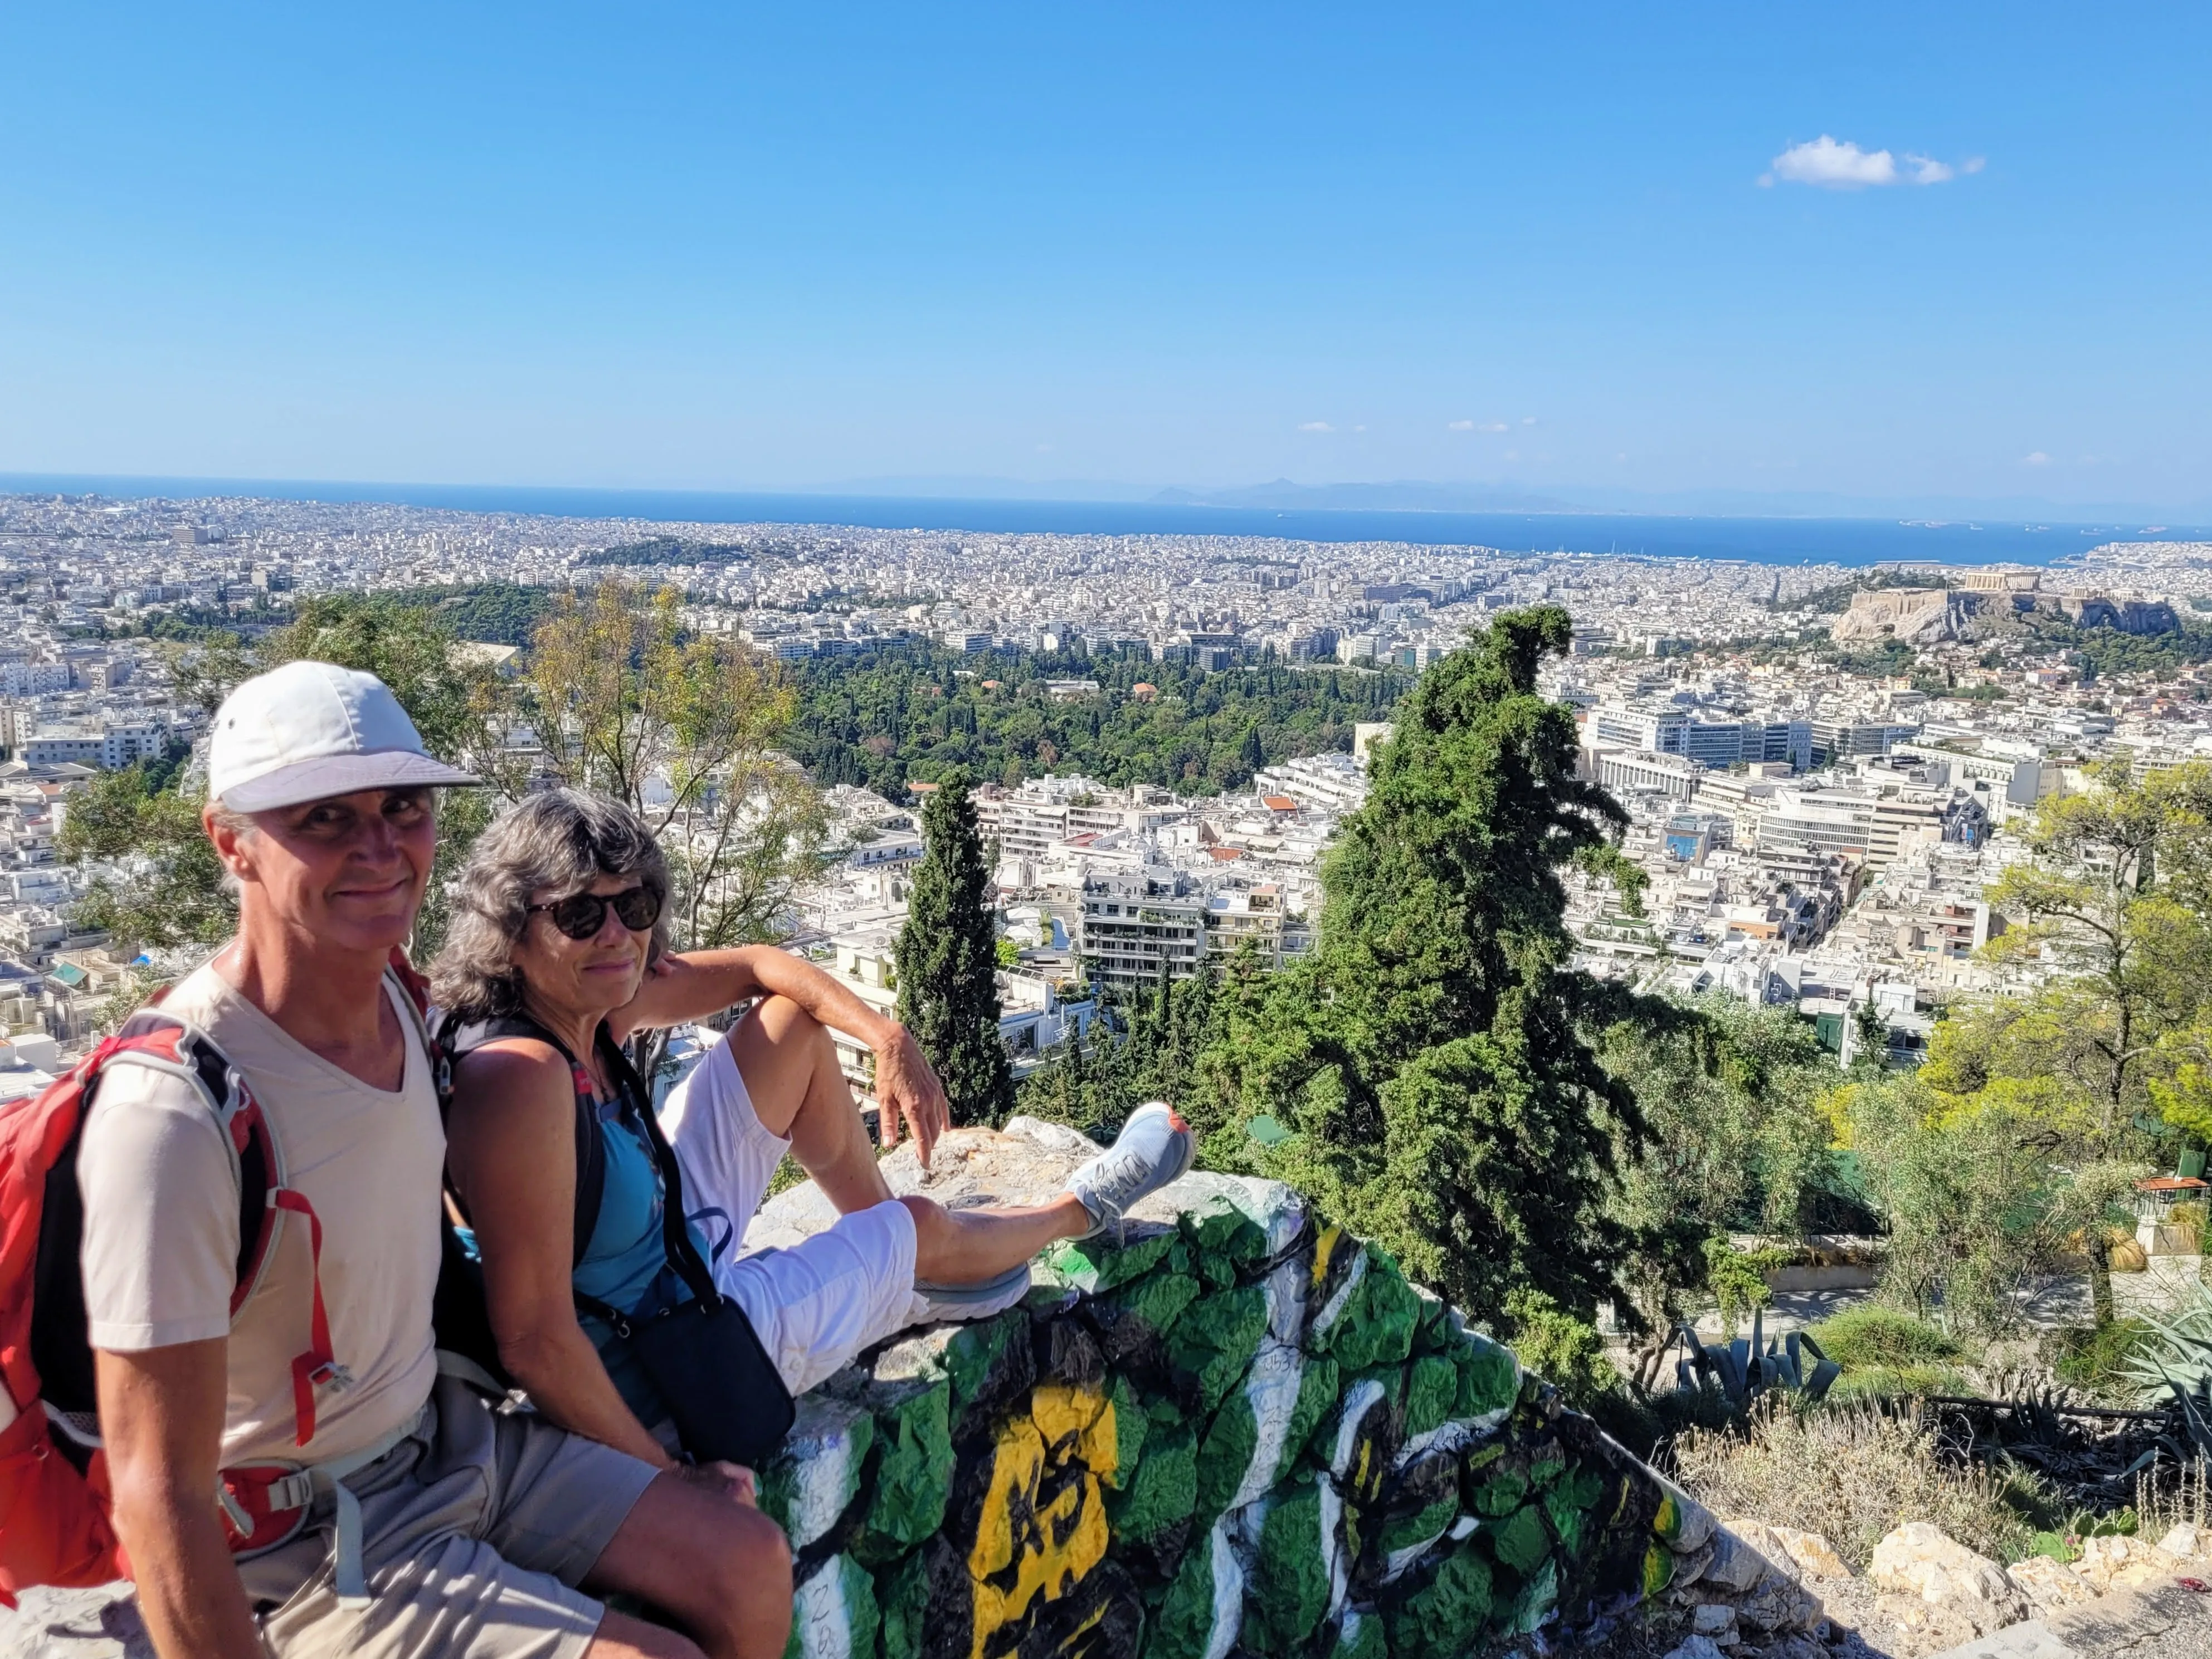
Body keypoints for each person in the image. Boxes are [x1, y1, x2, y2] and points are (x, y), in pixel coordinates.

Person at [80, 661, 791, 1659]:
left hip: (449, 1437)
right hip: (303, 1531)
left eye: (403, 806)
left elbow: (632, 992)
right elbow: (155, 1486)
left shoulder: (408, 1011)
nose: (378, 846)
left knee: (747, 1557)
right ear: (229, 841)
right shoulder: (177, 1107)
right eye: (324, 816)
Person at [431, 788, 1193, 1465]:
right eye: (578, 913)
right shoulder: (522, 1080)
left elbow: (765, 967)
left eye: (634, 907)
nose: (615, 934)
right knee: (923, 1223)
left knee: (792, 1027)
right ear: (512, 927)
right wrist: (667, 1490)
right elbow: (535, 1340)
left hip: (662, 1245)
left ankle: (887, 1244)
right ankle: (1072, 1210)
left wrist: (885, 1036)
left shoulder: (587, 1000)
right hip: (674, 1353)